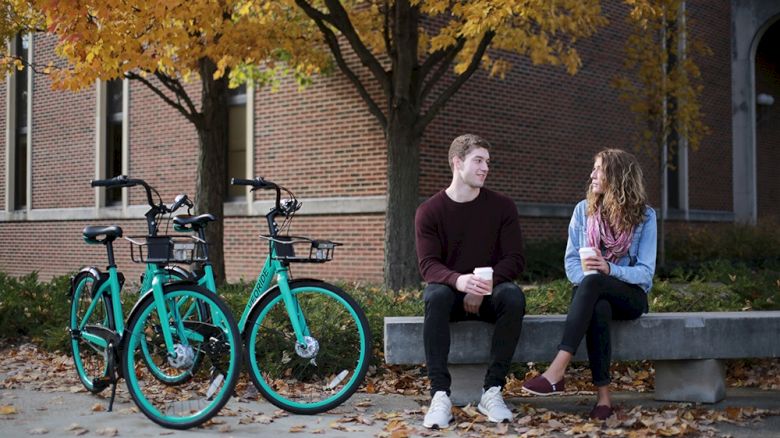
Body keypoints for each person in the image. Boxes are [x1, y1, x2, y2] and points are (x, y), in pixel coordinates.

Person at [521, 148, 657, 420]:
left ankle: (557, 370)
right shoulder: (583, 211)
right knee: (598, 306)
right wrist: (592, 282)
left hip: (630, 297)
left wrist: (609, 269)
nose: (592, 174)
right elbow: (572, 263)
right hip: (592, 294)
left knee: (596, 283)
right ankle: (603, 399)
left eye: (599, 169)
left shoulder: (645, 216)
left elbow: (645, 273)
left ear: (617, 176)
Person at [415, 134, 526, 429]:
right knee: (434, 295)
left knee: (513, 297)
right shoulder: (429, 211)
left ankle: (492, 391)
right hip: (450, 294)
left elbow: (515, 259)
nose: (485, 167)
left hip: (491, 293)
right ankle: (440, 395)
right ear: (457, 162)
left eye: (487, 162)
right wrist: (459, 281)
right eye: (478, 160)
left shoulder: (502, 207)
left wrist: (481, 284)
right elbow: (428, 266)